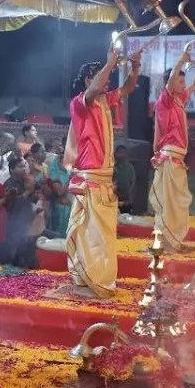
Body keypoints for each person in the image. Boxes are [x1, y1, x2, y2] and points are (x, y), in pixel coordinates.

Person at [63, 48, 141, 296]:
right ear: (88, 80)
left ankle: (97, 280)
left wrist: (135, 67)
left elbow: (128, 88)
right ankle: (93, 281)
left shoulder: (107, 101)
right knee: (93, 236)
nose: (108, 80)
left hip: (105, 180)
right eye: (101, 76)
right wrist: (110, 62)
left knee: (104, 237)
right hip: (90, 179)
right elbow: (96, 88)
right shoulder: (80, 103)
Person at [150, 49, 195, 252]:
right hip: (170, 155)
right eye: (180, 83)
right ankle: (167, 242)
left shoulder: (180, 100)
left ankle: (174, 241)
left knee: (179, 203)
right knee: (170, 202)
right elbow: (172, 79)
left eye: (183, 83)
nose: (183, 86)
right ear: (171, 83)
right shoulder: (165, 100)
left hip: (177, 158)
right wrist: (181, 62)